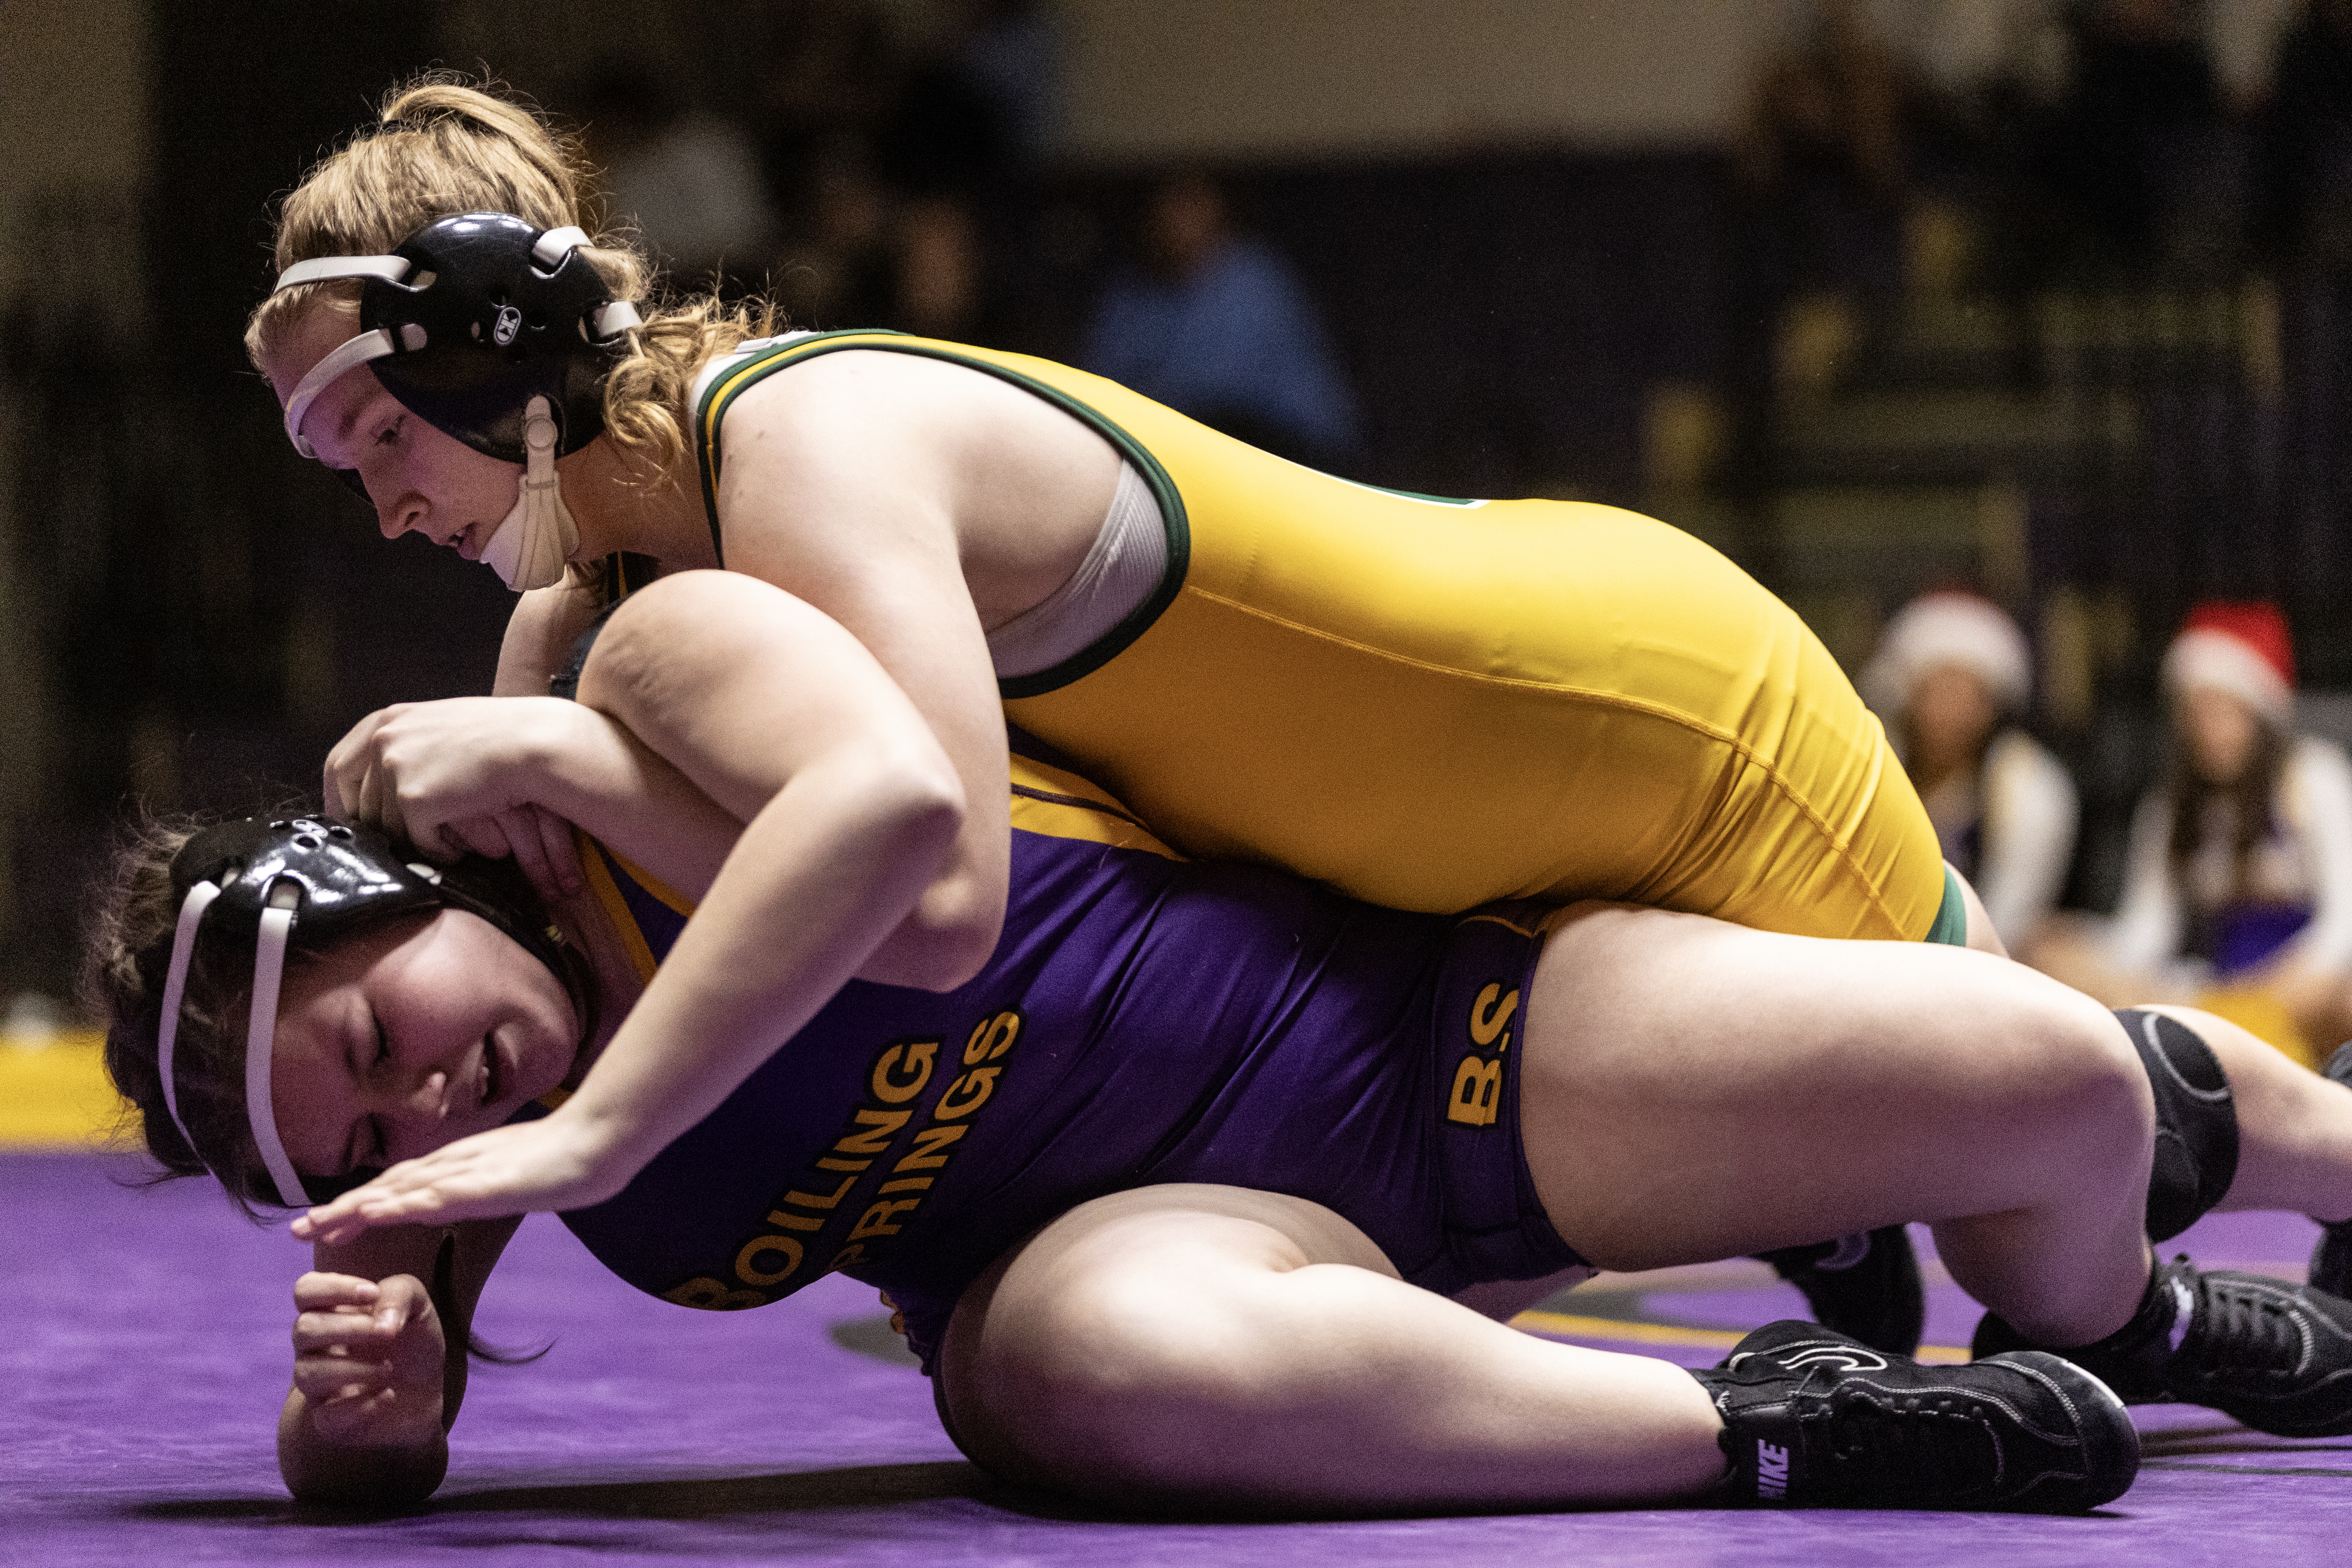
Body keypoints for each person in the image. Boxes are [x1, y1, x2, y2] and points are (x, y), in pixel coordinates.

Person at [84, 568, 2352, 1516]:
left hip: (1432, 1038)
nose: (427, 1108)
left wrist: (565, 740)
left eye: (385, 1029)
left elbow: (878, 809)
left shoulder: (651, 708)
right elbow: (384, 1434)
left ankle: (2217, 1236)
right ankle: (1781, 1422)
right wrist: (347, 1416)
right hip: (1172, 1269)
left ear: (417, 875)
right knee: (1064, 1373)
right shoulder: (529, 1131)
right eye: (351, 1133)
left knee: (2045, 1083)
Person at [247, 78, 1994, 988]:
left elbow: (939, 908)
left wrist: (559, 762)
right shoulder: (605, 582)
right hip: (1450, 850)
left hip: (1621, 705)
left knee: (2080, 1159)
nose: (384, 503)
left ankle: (2277, 1159)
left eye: (379, 431)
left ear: (501, 353)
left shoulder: (802, 447)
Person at [2082, 601, 2352, 1061]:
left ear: (2262, 714)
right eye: (2198, 711)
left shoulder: (2313, 778)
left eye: (2228, 709)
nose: (2212, 728)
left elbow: (2344, 923)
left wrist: (2270, 990)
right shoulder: (2170, 805)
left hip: (2303, 990)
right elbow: (2147, 933)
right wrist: (2081, 952)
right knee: (2055, 953)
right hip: (2212, 990)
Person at [1860, 591, 2079, 954]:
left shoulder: (2027, 786)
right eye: (1938, 688)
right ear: (1909, 694)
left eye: (1967, 693)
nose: (1951, 710)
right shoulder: (1877, 769)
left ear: (1991, 705)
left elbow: (2011, 915)